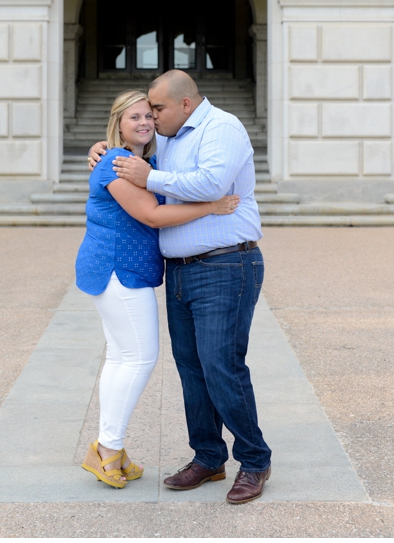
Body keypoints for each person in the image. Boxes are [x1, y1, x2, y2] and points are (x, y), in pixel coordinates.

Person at [89, 69, 270, 504]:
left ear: (184, 104)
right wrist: (103, 149)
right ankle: (208, 457)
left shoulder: (221, 127)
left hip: (227, 264)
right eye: (146, 111)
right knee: (190, 368)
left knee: (221, 364)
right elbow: (134, 150)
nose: (151, 117)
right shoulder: (168, 136)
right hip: (181, 271)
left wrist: (146, 177)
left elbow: (211, 184)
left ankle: (255, 460)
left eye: (157, 108)